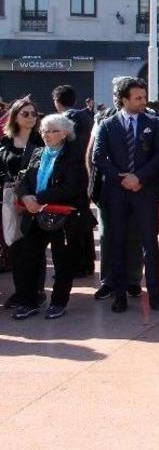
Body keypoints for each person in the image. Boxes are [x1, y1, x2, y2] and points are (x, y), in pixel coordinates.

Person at [91, 77, 159, 313]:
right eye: (138, 98)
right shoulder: (107, 124)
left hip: (144, 193)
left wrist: (139, 178)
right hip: (116, 194)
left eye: (144, 97)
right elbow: (98, 157)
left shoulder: (153, 123)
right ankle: (120, 294)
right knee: (118, 243)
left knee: (149, 243)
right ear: (124, 100)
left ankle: (154, 293)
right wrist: (121, 178)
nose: (143, 101)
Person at [10, 114, 88, 319]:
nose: (47, 134)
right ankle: (28, 301)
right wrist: (25, 196)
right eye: (44, 130)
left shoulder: (73, 155)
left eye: (52, 130)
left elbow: (71, 187)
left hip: (61, 216)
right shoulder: (37, 152)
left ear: (64, 134)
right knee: (28, 258)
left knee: (62, 260)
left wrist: (37, 197)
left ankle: (58, 302)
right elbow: (23, 179)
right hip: (35, 214)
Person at [51, 85, 95, 276]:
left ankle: (78, 264)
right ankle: (87, 262)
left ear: (56, 101)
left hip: (72, 178)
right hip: (85, 175)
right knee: (82, 217)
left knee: (73, 222)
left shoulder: (67, 120)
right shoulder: (86, 117)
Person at [1, 100, 43, 278]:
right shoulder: (6, 142)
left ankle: (37, 292)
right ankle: (21, 292)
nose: (31, 117)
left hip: (33, 199)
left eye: (34, 114)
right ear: (15, 117)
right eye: (25, 114)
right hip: (9, 197)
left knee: (34, 247)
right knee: (14, 245)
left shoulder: (41, 140)